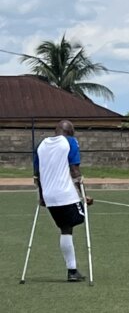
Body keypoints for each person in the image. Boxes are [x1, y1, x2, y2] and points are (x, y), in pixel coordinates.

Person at [33, 120, 92, 282]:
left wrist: (41, 196)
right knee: (77, 219)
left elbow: (37, 174)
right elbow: (75, 170)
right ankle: (72, 271)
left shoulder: (41, 145)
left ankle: (72, 270)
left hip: (50, 196)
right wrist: (83, 195)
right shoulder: (70, 142)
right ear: (70, 132)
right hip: (65, 194)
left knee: (65, 228)